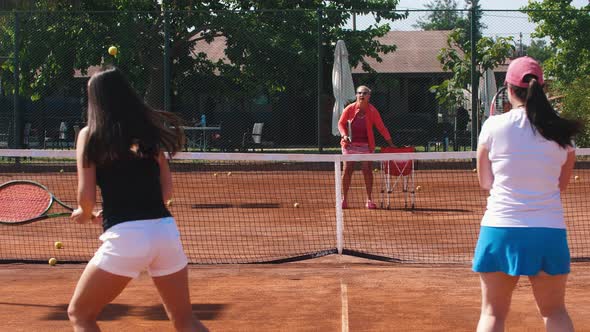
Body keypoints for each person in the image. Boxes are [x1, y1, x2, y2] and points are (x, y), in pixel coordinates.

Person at [67, 67, 208, 332]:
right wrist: (114, 213)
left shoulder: (89, 135)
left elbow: (85, 196)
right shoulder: (149, 134)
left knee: (80, 314)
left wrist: (85, 213)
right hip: (165, 233)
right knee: (184, 319)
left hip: (127, 239)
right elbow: (166, 192)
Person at [473, 56, 582, 332]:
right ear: (542, 88)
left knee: (492, 315)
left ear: (508, 90)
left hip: (500, 230)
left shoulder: (492, 127)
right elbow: (561, 185)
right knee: (555, 312)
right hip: (548, 231)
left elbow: (485, 182)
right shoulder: (562, 135)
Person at [338, 85, 394, 209]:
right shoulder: (349, 109)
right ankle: (344, 200)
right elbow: (341, 123)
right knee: (347, 168)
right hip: (349, 145)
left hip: (366, 145)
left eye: (364, 93)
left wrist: (391, 144)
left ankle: (369, 200)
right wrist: (344, 135)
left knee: (367, 169)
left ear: (369, 96)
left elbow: (381, 127)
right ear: (356, 96)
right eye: (359, 93)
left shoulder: (373, 111)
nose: (361, 95)